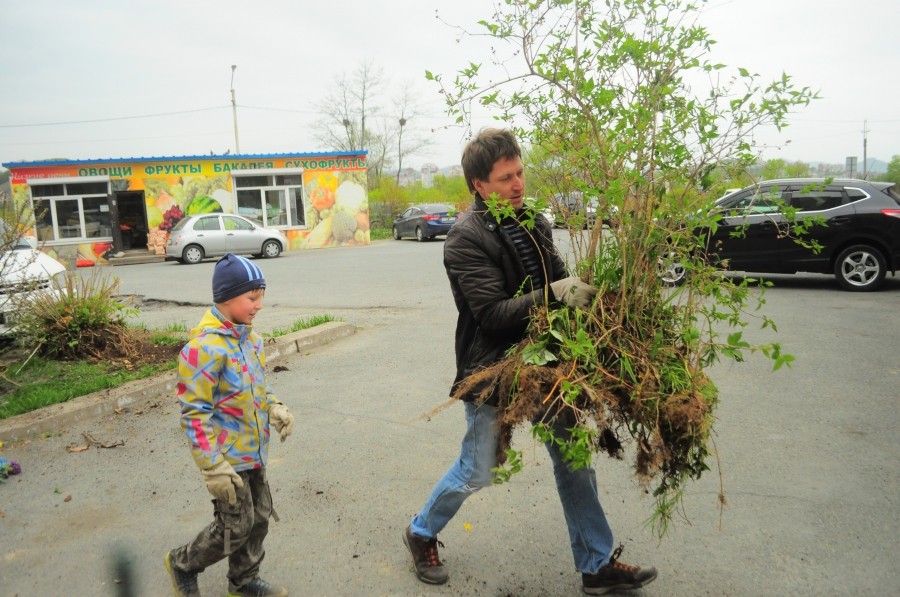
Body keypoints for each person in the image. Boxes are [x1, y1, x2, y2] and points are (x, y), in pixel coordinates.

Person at [402, 129, 657, 595]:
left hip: (548, 364)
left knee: (574, 461)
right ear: (479, 185)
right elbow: (493, 315)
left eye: (520, 173)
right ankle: (420, 531)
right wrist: (555, 295)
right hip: (494, 369)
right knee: (479, 469)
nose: (518, 184)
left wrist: (593, 303)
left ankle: (595, 564)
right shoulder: (463, 240)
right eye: (505, 178)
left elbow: (560, 280)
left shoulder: (535, 223)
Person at [165, 253, 295, 597]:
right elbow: (194, 414)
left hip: (254, 451)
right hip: (226, 460)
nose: (259, 305)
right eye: (252, 297)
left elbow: (258, 388)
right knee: (235, 526)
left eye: (261, 296)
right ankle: (182, 563)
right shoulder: (202, 350)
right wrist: (213, 467)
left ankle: (243, 581)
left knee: (260, 516)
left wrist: (274, 407)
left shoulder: (252, 341)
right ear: (226, 297)